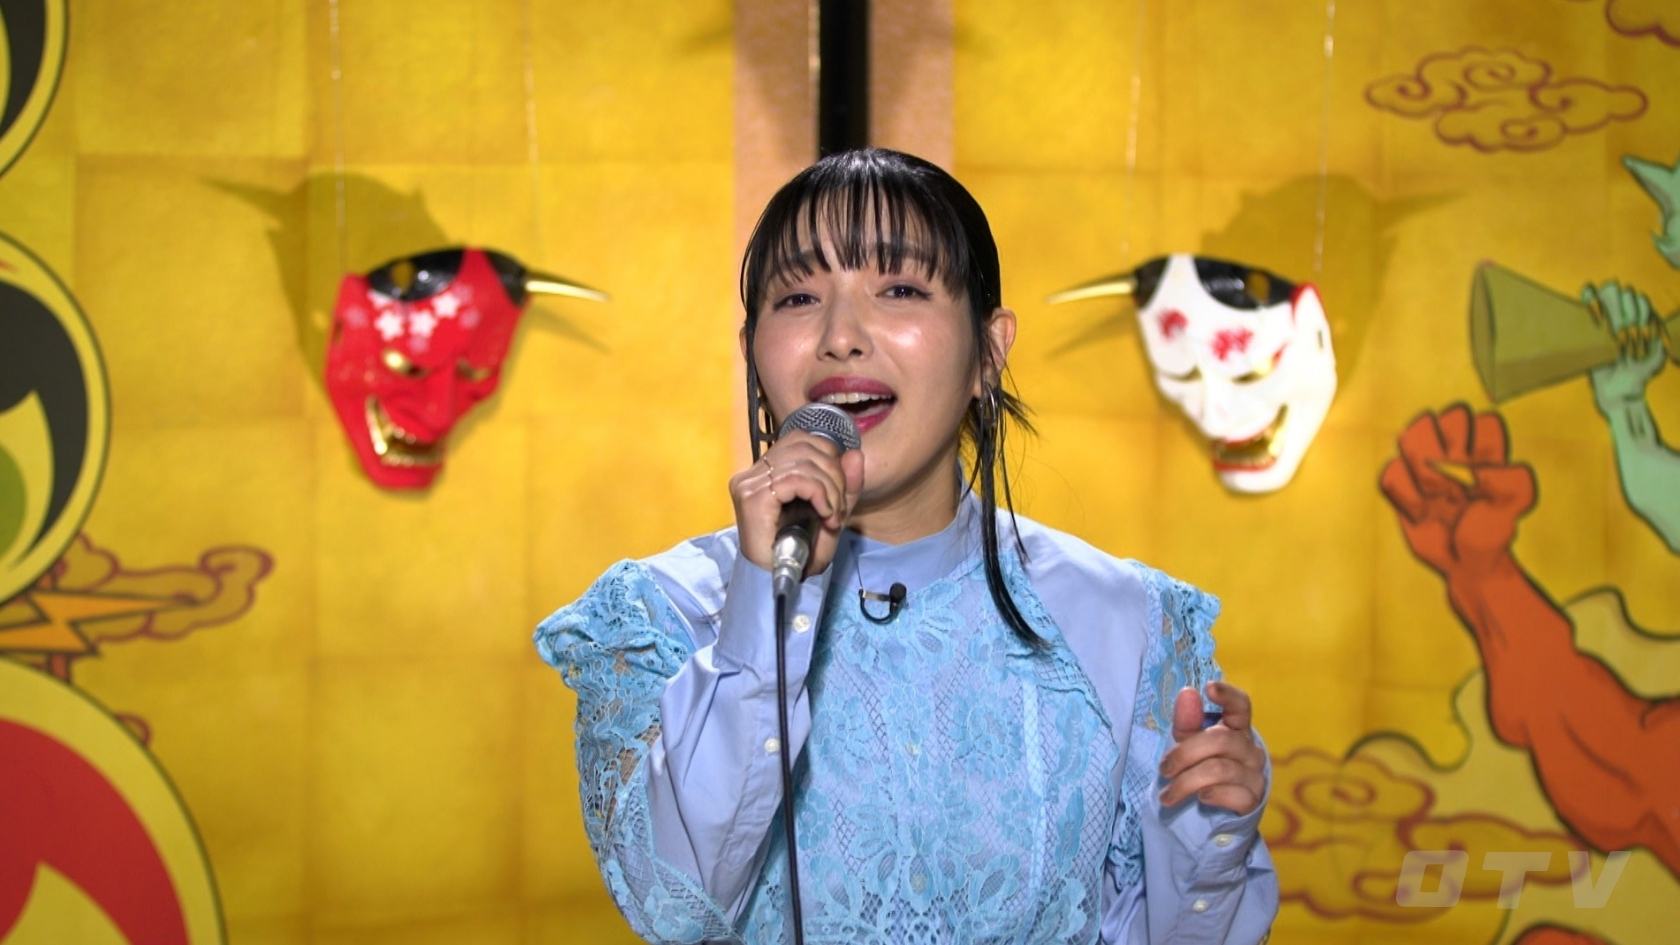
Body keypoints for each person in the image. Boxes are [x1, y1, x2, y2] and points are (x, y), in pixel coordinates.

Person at [535, 148, 1278, 944]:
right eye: (798, 297)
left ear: (988, 351)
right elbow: (673, 909)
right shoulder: (660, 615)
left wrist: (1209, 836)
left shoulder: (1125, 618)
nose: (840, 337)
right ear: (751, 350)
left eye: (899, 289)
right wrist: (763, 604)